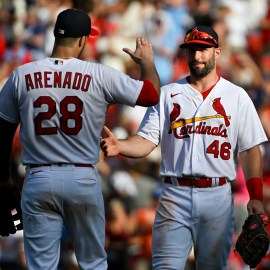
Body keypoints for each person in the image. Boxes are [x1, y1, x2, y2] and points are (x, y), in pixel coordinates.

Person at [0, 8, 160, 270]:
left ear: (55, 35)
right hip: (82, 176)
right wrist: (147, 63)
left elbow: (3, 133)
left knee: (40, 266)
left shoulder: (22, 75)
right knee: (93, 263)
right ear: (83, 40)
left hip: (39, 177)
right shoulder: (99, 74)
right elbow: (151, 95)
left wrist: (3, 182)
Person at [100, 25, 268, 269]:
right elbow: (147, 140)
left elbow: (251, 149)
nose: (197, 56)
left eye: (203, 49)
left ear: (217, 52)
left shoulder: (236, 96)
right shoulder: (167, 94)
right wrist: (121, 146)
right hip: (174, 194)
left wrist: (256, 196)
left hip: (217, 194)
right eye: (192, 50)